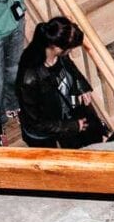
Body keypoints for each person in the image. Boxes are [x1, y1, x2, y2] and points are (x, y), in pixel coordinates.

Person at [15, 17, 108, 149]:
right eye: (70, 49)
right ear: (57, 48)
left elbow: (70, 66)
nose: (71, 52)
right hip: (51, 130)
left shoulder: (57, 54)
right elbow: (36, 122)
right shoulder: (29, 78)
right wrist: (73, 126)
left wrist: (82, 86)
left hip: (67, 114)